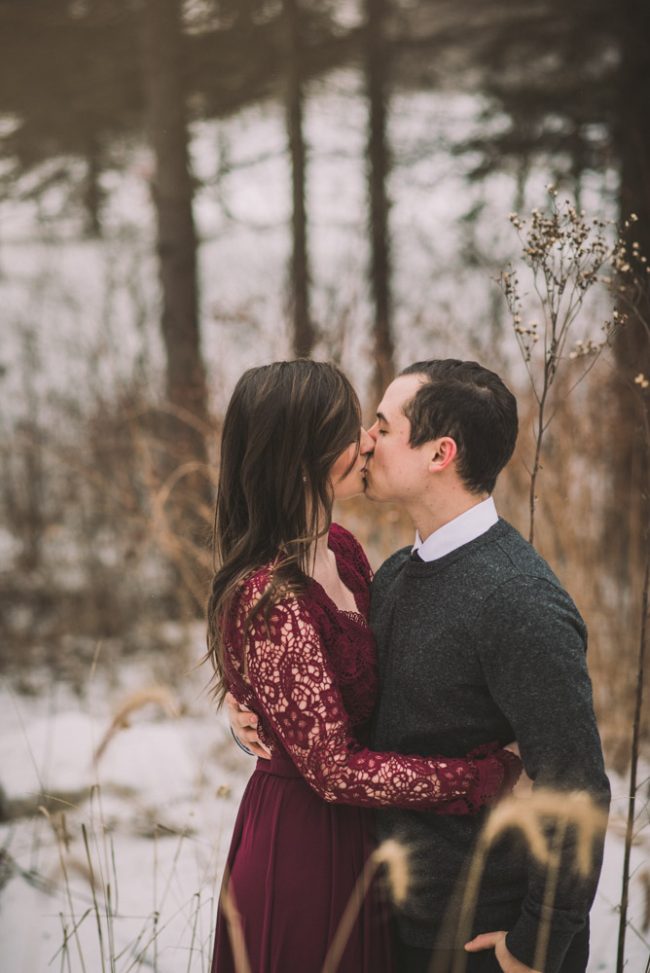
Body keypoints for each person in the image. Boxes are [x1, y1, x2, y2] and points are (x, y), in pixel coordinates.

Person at [231, 359, 611, 973]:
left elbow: (580, 790)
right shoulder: (398, 571)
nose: (365, 441)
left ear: (440, 453)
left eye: (382, 425)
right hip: (390, 918)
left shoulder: (517, 600)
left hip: (483, 936)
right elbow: (339, 696)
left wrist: (537, 943)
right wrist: (249, 704)